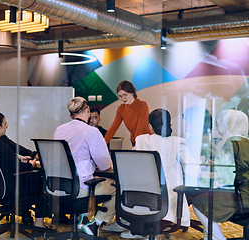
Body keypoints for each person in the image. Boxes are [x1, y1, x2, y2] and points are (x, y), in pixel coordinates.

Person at [114, 109, 200, 239]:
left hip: (140, 199)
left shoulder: (141, 140)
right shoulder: (177, 142)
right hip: (166, 203)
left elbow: (132, 166)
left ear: (150, 126)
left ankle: (142, 229)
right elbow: (193, 171)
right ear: (169, 124)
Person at [54, 97, 116, 237]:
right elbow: (105, 165)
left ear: (71, 115)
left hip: (60, 186)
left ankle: (83, 217)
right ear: (88, 110)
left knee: (92, 180)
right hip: (80, 188)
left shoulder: (59, 130)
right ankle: (95, 224)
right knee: (116, 188)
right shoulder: (92, 131)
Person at [0, 112, 48, 228]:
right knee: (42, 179)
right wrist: (31, 164)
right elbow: (19, 168)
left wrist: (21, 160)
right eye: (4, 124)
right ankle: (39, 224)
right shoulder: (0, 144)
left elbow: (5, 163)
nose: (6, 126)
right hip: (12, 187)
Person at [191, 109, 249, 240]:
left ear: (230, 124)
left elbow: (225, 175)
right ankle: (209, 236)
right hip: (245, 192)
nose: (217, 123)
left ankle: (216, 237)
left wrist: (208, 169)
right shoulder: (245, 141)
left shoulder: (231, 142)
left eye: (222, 120)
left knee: (198, 201)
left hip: (240, 196)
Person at [104, 81, 152, 147]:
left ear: (132, 92)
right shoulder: (121, 109)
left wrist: (136, 146)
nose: (123, 98)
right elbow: (113, 129)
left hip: (146, 141)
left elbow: (139, 129)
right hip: (134, 141)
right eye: (120, 96)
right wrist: (103, 144)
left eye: (125, 95)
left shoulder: (142, 105)